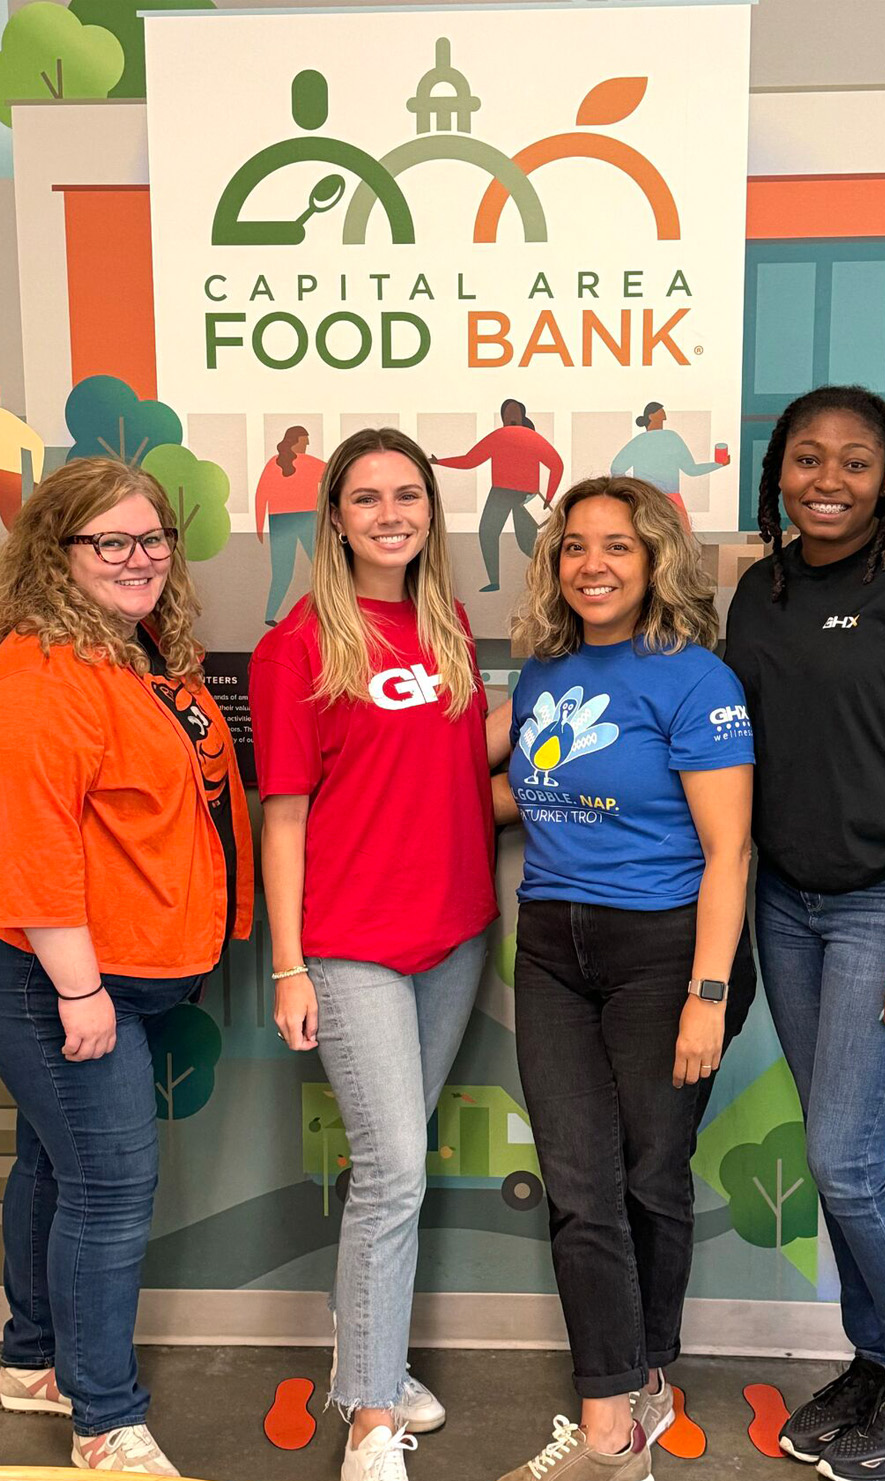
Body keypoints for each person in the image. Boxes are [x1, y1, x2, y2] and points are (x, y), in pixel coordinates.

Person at [249, 427, 506, 1481]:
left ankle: (375, 1356)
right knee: (397, 1169)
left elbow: (448, 761)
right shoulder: (298, 645)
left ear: (428, 513)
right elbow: (284, 818)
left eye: (409, 493)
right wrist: (289, 963)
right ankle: (367, 1415)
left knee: (390, 1168)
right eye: (368, 497)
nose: (391, 512)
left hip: (454, 931)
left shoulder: (445, 621)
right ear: (337, 517)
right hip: (350, 942)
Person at [493, 475, 756, 1481]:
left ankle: (642, 1373)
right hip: (555, 946)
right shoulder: (545, 668)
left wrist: (707, 991)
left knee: (651, 1178)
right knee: (579, 1183)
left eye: (617, 546)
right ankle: (610, 1430)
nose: (592, 564)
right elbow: (520, 787)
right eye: (574, 546)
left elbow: (728, 850)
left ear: (653, 562)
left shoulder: (696, 681)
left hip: (666, 950)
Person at [0, 458, 253, 1475]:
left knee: (57, 1167)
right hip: (63, 979)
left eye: (151, 537)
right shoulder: (42, 670)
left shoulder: (135, 655)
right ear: (56, 554)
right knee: (110, 1188)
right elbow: (32, 843)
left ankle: (30, 1358)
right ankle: (105, 1417)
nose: (140, 557)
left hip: (133, 971)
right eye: (111, 541)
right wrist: (78, 987)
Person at [725, 384, 885, 1481]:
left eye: (855, 462)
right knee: (841, 1156)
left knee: (841, 1157)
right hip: (785, 903)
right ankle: (876, 1362)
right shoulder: (760, 588)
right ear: (776, 468)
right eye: (806, 459)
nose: (827, 480)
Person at [432, 398, 563, 591]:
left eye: (513, 413)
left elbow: (556, 465)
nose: (510, 417)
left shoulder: (530, 438)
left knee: (526, 544)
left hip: (525, 496)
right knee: (487, 532)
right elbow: (470, 460)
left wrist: (549, 497)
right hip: (501, 493)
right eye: (507, 413)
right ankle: (494, 582)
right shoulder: (501, 437)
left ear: (521, 416)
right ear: (502, 418)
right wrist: (440, 462)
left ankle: (554, 577)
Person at [611, 402, 729, 529]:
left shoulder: (638, 441)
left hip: (646, 501)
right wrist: (718, 464)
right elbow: (692, 470)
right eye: (661, 413)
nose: (664, 417)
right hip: (669, 500)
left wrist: (632, 492)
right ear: (651, 416)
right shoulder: (671, 437)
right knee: (679, 540)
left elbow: (616, 469)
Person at [255, 424, 328, 625]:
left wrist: (260, 524)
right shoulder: (307, 463)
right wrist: (258, 525)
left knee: (291, 571)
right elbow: (262, 493)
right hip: (301, 519)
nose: (308, 444)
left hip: (286, 520)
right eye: (305, 440)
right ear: (296, 441)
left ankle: (271, 615)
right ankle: (270, 615)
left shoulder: (277, 462)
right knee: (316, 568)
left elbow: (260, 494)